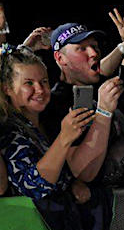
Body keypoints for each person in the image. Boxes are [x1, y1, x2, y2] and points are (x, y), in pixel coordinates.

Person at [42, 22, 124, 187]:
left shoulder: (106, 86)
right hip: (93, 204)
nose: (94, 53)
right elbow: (83, 173)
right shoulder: (55, 103)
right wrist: (103, 112)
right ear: (61, 58)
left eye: (94, 46)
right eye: (81, 48)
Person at [0, 45, 103, 200]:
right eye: (29, 83)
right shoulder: (8, 132)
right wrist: (64, 138)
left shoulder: (48, 121)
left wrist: (73, 184)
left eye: (44, 81)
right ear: (7, 88)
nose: (40, 89)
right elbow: (33, 186)